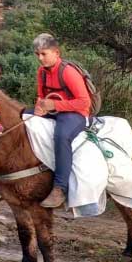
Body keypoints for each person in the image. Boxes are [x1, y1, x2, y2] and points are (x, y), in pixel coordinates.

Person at [33, 33, 91, 208]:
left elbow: (84, 101)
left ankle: (60, 188)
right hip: (54, 110)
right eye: (37, 55)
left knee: (61, 135)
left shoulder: (68, 72)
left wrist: (54, 105)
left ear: (56, 52)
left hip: (76, 114)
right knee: (23, 118)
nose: (40, 58)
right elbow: (41, 96)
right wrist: (39, 107)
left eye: (44, 54)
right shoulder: (41, 72)